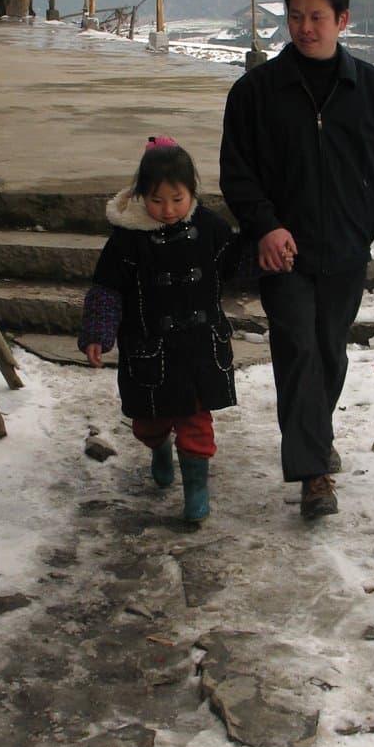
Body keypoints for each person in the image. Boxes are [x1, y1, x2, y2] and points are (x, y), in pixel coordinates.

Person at [219, 0, 374, 518]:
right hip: (282, 253)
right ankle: (313, 475)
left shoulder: (371, 92)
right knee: (297, 350)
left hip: (344, 248)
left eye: (317, 17)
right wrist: (265, 225)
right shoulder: (255, 93)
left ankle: (315, 434)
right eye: (295, 17)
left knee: (330, 353)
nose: (305, 28)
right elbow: (238, 175)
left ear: (342, 20)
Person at [78, 136, 240, 523]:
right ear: (140, 197)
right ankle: (158, 448)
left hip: (200, 348)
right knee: (148, 424)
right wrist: (99, 333)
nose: (167, 210)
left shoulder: (208, 227)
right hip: (150, 351)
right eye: (157, 200)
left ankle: (196, 489)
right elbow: (106, 289)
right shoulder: (127, 240)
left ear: (191, 193)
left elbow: (236, 262)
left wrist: (272, 256)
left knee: (196, 423)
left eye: (177, 199)